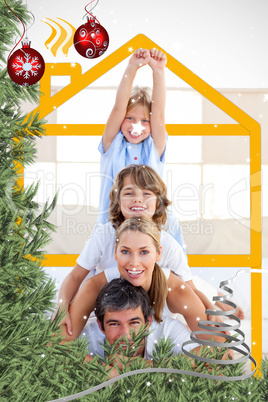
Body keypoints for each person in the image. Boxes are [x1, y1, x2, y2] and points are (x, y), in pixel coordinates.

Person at [57, 165, 226, 335]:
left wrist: (210, 309)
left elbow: (190, 290)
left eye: (147, 193)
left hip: (154, 308)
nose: (138, 199)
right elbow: (76, 275)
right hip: (114, 306)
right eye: (129, 193)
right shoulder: (103, 236)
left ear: (158, 202)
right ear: (117, 200)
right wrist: (62, 307)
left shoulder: (169, 245)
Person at [61, 217, 227, 344]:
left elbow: (222, 352)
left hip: (177, 310)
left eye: (144, 252)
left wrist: (145, 367)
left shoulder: (176, 291)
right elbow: (56, 345)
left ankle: (218, 297)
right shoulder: (94, 287)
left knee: (200, 293)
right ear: (115, 252)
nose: (134, 263)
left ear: (158, 254)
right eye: (125, 251)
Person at [97, 47, 184, 248]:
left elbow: (159, 113)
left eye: (145, 121)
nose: (137, 126)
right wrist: (132, 67)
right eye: (130, 118)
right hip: (113, 225)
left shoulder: (154, 148)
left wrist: (158, 71)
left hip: (151, 228)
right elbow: (118, 107)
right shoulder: (113, 146)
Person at [81, 278, 200, 366]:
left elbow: (210, 359)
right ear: (101, 326)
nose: (125, 335)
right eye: (114, 324)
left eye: (134, 323)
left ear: (148, 323)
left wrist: (136, 365)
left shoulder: (169, 330)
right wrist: (106, 371)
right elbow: (62, 356)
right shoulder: (87, 334)